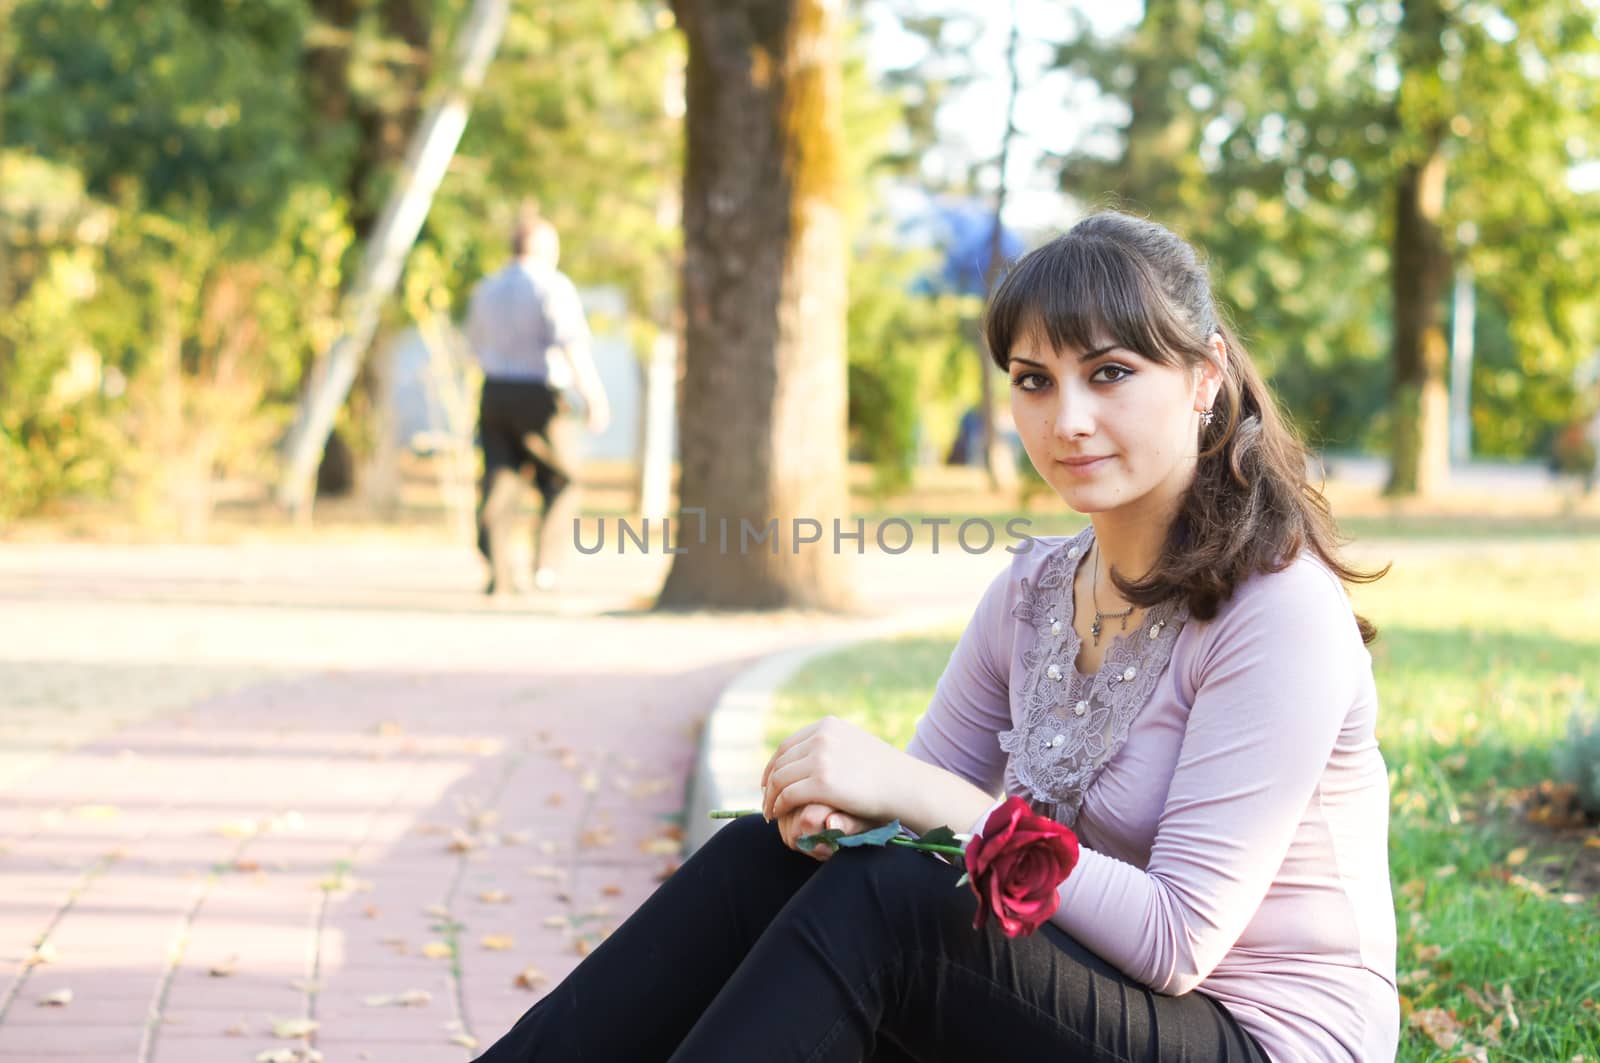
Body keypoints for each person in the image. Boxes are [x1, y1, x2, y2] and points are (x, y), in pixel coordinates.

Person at [473, 211, 1399, 1062]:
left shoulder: (1278, 611)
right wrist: (846, 815)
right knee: (783, 857)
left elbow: (1178, 939)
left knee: (897, 900)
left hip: (1258, 1036)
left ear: (1204, 379)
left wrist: (921, 794)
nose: (1067, 419)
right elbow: (902, 831)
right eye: (1034, 381)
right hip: (1087, 1006)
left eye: (1110, 373)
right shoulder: (1035, 590)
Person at [465, 210, 609, 595]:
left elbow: (474, 346)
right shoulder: (552, 286)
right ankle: (545, 565)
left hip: (494, 390)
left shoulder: (486, 289)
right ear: (545, 248)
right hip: (540, 393)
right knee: (564, 479)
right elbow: (571, 344)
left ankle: (498, 572)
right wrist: (593, 396)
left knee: (500, 477)